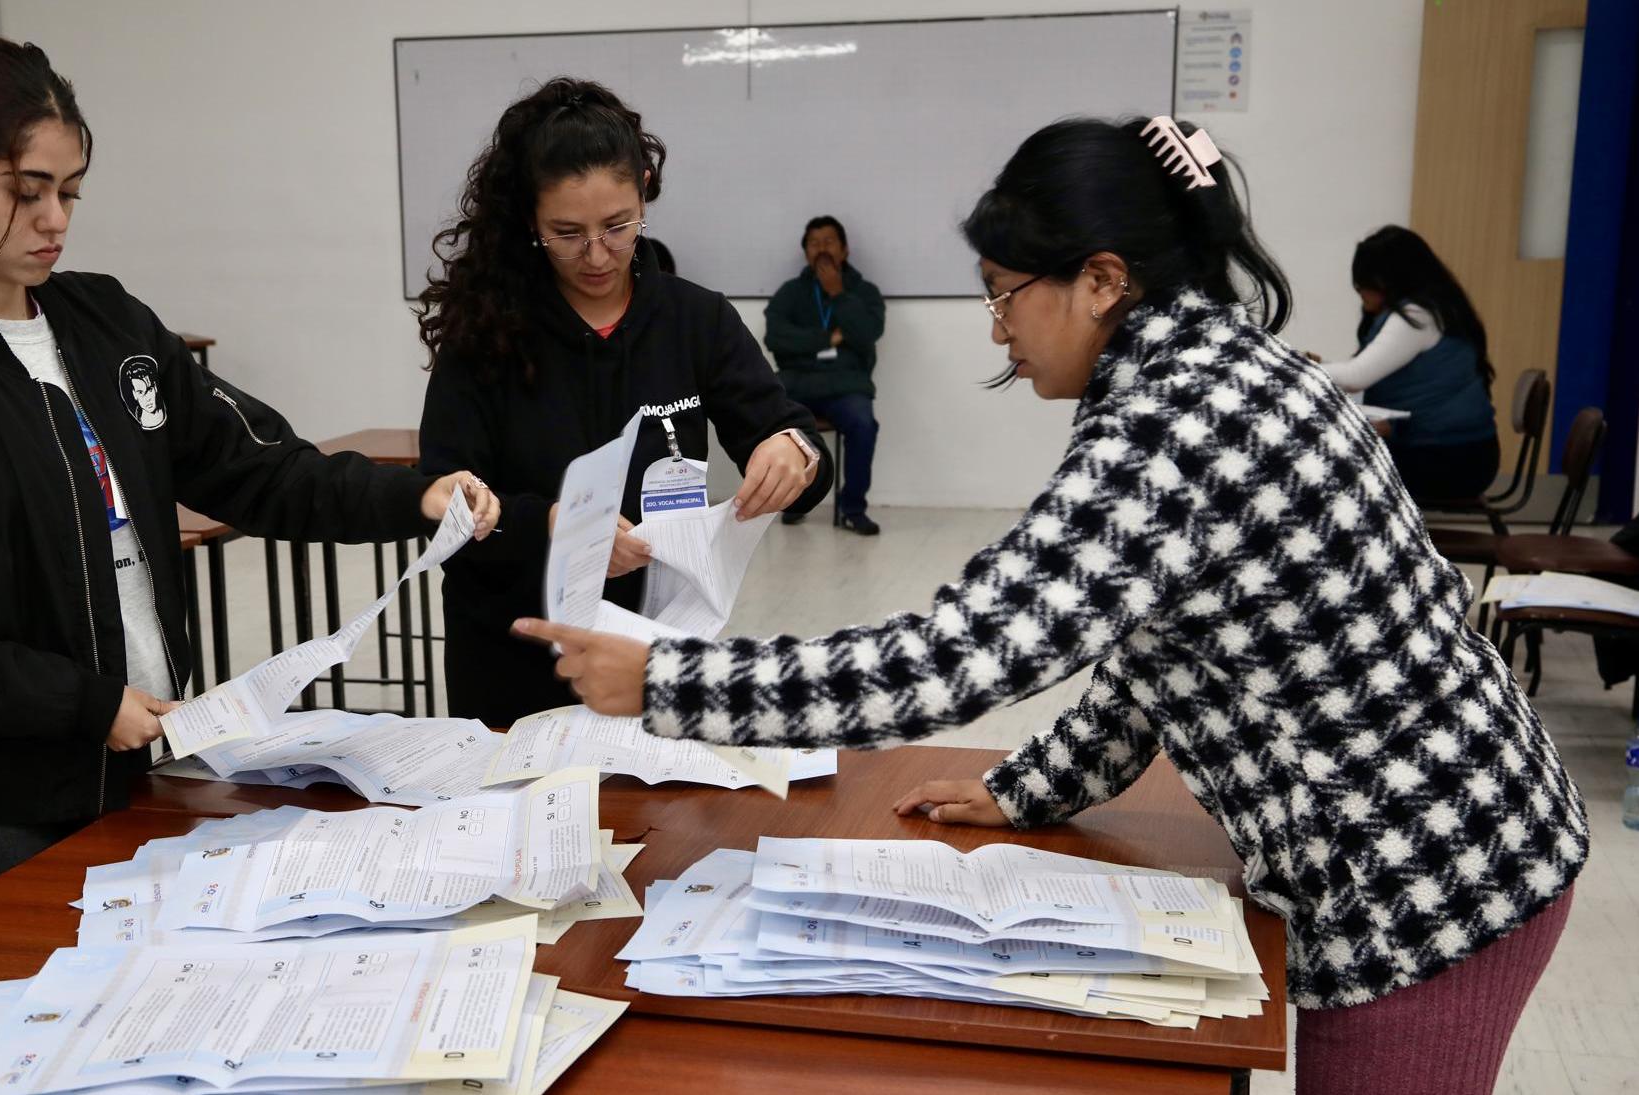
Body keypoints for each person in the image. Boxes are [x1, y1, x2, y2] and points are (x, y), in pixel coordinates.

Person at [518, 116, 1586, 1095]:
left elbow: (955, 656)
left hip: (1429, 876)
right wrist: (1038, 786)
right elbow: (1155, 635)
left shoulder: (1178, 420)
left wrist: (668, 680)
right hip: (1429, 837)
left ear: (1100, 280)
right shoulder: (1202, 370)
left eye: (1002, 291)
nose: (995, 330)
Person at [0, 23, 498, 906]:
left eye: (70, 191)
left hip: (148, 755)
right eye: (25, 191)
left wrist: (412, 495)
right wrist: (82, 706)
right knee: (35, 1018)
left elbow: (259, 467)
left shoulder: (108, 325)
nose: (54, 220)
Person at [418, 77, 833, 727]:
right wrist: (557, 529)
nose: (596, 254)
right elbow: (443, 500)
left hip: (654, 656)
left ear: (644, 189)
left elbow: (784, 433)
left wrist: (793, 452)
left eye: (618, 226)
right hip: (514, 657)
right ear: (529, 218)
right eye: (565, 232)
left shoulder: (694, 320)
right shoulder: (486, 333)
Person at [1320, 225, 1498, 501]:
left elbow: (1357, 376)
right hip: (1464, 453)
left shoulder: (1416, 316)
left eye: (1363, 283)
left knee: (1325, 468)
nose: (1360, 292)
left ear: (1386, 280)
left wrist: (1293, 367)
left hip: (1451, 460)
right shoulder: (1438, 308)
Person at [764, 216, 887, 534]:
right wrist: (828, 339)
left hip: (846, 385)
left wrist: (838, 294)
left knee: (863, 422)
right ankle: (794, 500)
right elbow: (776, 339)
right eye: (814, 243)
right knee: (766, 413)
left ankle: (853, 508)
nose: (821, 249)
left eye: (829, 242)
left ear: (844, 250)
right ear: (805, 251)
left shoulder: (865, 292)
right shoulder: (790, 292)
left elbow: (866, 334)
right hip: (797, 382)